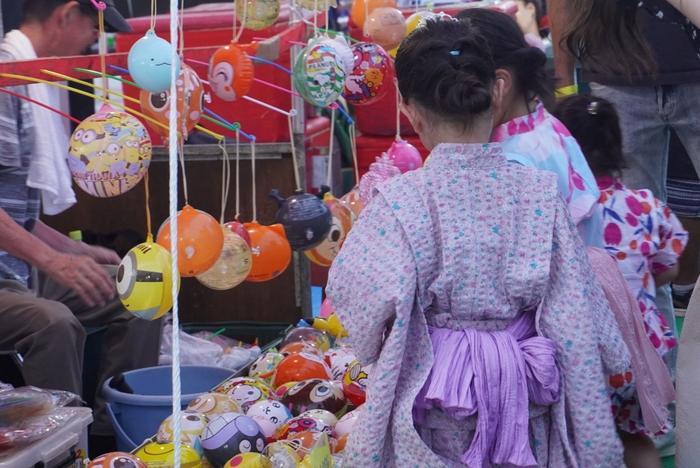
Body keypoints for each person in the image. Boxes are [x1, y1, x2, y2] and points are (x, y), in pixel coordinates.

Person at [327, 18, 630, 468]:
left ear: (410, 111)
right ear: (494, 93)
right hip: (523, 387)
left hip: (436, 395)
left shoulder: (398, 202)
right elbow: (575, 316)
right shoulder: (539, 193)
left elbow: (359, 304)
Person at [0, 0, 161, 453]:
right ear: (66, 14)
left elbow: (18, 214)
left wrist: (75, 254)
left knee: (143, 289)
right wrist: (54, 260)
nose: (97, 39)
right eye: (94, 27)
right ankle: (71, 453)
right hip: (9, 278)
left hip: (20, 269)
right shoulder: (6, 79)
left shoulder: (31, 77)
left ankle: (120, 438)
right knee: (54, 323)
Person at [554, 94, 688, 468]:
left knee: (579, 439)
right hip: (641, 350)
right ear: (619, 146)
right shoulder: (645, 205)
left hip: (583, 350)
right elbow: (671, 268)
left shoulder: (556, 209)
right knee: (635, 436)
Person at [455, 8, 601, 247]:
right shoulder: (547, 124)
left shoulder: (509, 163)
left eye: (460, 89)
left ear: (499, 85)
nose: (451, 104)